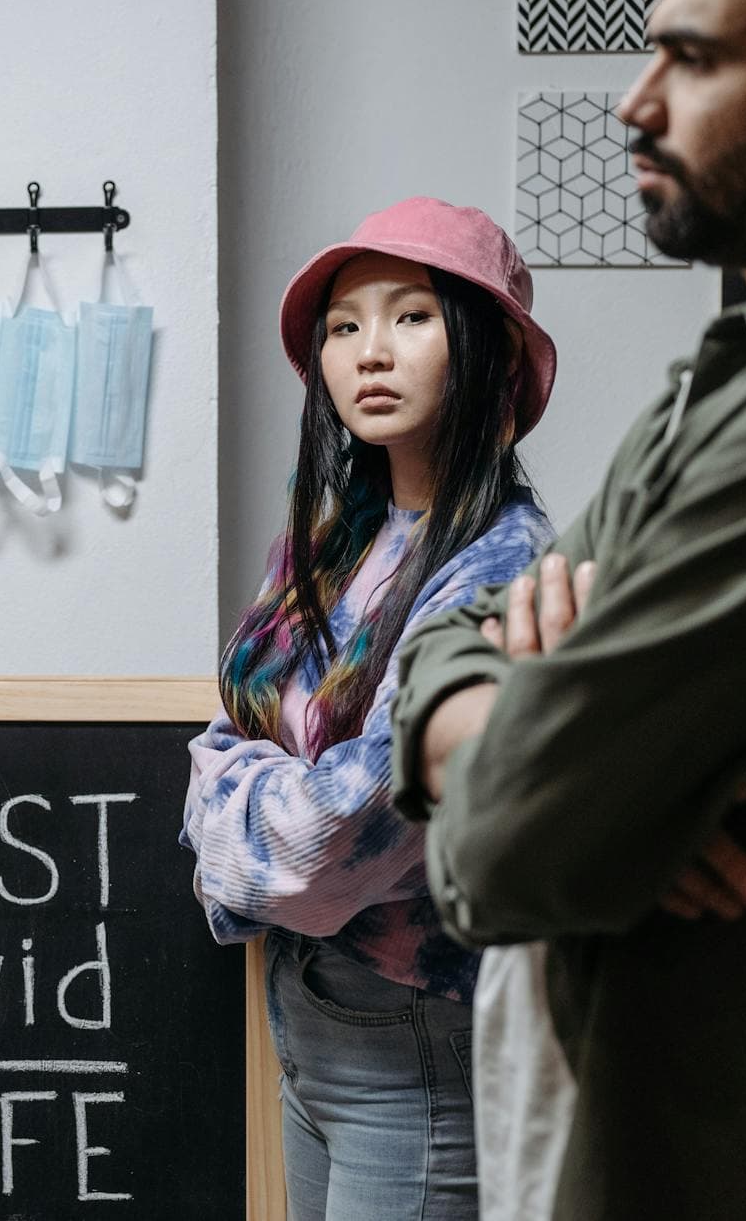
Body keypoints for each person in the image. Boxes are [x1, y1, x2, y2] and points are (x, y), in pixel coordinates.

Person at [391, 0, 746, 1215]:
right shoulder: (721, 376)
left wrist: (562, 782)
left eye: (696, 60)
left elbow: (511, 839)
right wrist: (564, 751)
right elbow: (444, 639)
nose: (631, 100)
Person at [181, 197, 557, 1220]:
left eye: (409, 317)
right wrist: (262, 796)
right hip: (308, 1015)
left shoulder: (503, 568)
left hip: (417, 1033)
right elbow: (229, 731)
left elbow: (327, 842)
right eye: (343, 327)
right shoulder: (334, 539)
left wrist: (234, 816)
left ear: (484, 349)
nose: (368, 352)